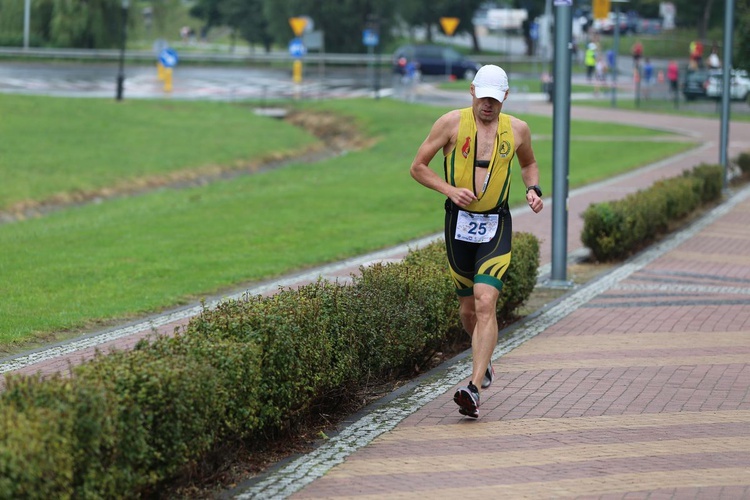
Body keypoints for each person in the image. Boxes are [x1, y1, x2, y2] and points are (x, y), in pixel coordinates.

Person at [409, 65, 544, 419]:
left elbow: (529, 163)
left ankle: (472, 387)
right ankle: (484, 363)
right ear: (471, 91)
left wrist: (532, 189)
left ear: (505, 97)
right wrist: (450, 190)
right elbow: (418, 167)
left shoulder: (517, 130)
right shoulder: (450, 124)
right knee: (468, 310)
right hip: (458, 224)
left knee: (486, 303)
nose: (488, 105)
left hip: (496, 224)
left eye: (495, 100)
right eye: (483, 98)